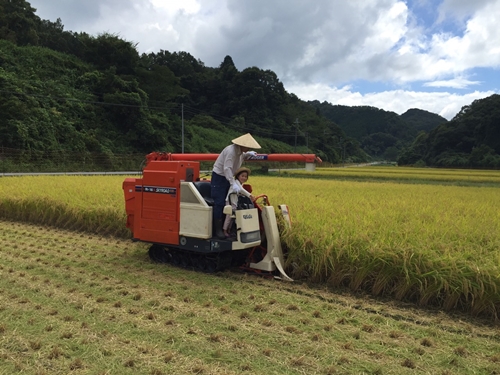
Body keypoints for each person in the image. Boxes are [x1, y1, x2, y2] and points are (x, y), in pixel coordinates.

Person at [211, 133, 261, 239]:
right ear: (242, 145)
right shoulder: (231, 152)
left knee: (229, 203)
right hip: (219, 177)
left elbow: (241, 156)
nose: (248, 148)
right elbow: (227, 168)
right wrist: (232, 183)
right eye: (247, 147)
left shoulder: (239, 152)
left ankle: (228, 228)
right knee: (220, 203)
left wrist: (248, 154)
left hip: (227, 177)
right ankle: (218, 230)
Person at [223, 167, 254, 238]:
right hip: (230, 201)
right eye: (242, 176)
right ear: (238, 176)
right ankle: (224, 230)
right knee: (229, 216)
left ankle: (229, 230)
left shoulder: (240, 183)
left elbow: (240, 191)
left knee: (233, 217)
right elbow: (240, 190)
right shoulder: (235, 182)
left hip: (234, 202)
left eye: (245, 176)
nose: (244, 178)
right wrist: (250, 195)